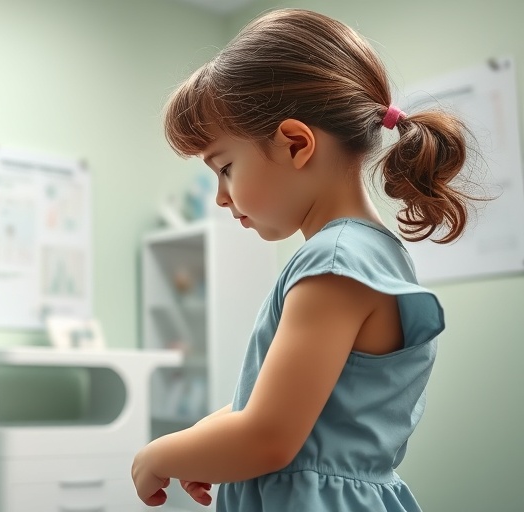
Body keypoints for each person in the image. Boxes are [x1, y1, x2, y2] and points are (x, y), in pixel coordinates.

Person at [131, 8, 479, 512]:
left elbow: (269, 435)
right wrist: (204, 442)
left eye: (226, 168)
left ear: (296, 144)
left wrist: (160, 454)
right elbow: (296, 403)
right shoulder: (365, 254)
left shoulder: (335, 263)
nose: (221, 198)